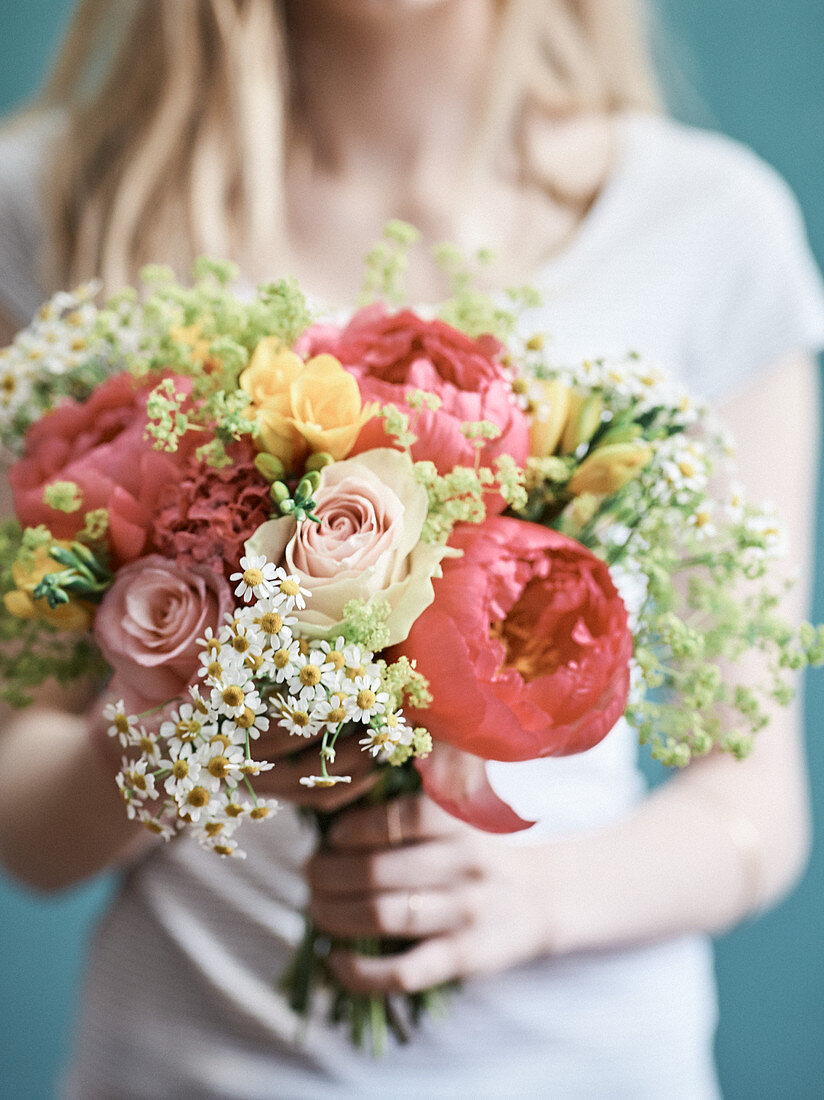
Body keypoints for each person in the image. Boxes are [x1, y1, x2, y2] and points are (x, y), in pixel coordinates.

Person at [0, 2, 822, 1096]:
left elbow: (751, 808)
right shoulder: (60, 200)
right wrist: (191, 742)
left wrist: (527, 898)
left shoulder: (709, 223)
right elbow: (26, 821)